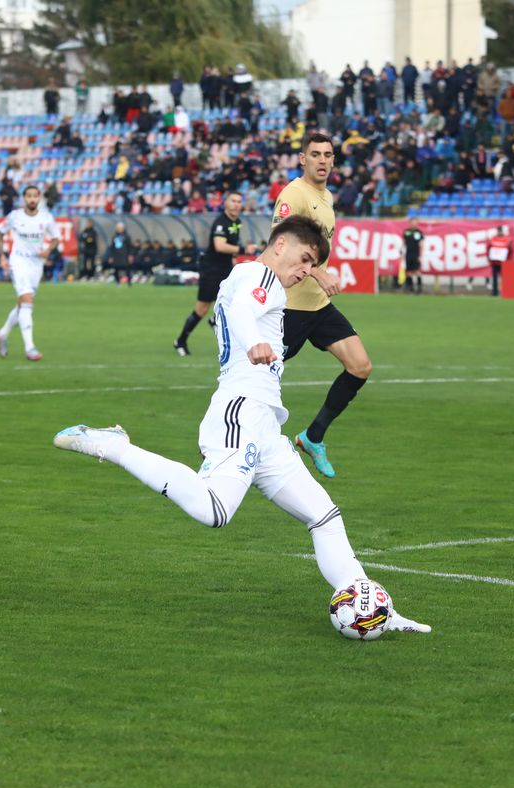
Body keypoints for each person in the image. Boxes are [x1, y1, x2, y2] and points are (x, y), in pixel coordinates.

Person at [52, 215, 431, 635]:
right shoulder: (258, 273)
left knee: (324, 515)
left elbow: (238, 307)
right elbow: (241, 309)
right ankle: (113, 445)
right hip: (241, 410)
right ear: (280, 243)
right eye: (305, 258)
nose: (306, 271)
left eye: (312, 265)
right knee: (214, 511)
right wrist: (253, 341)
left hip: (265, 424)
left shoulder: (254, 278)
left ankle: (372, 606)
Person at [271, 132, 366, 479]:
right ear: (302, 158)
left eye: (328, 155)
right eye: (315, 154)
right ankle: (227, 443)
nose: (323, 160)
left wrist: (319, 277)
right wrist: (318, 273)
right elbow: (281, 245)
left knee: (360, 366)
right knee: (257, 377)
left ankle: (313, 437)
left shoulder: (326, 197)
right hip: (290, 307)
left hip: (319, 306)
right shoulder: (294, 194)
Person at [173, 190, 257, 356]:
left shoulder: (236, 222)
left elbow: (229, 250)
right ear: (225, 203)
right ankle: (180, 341)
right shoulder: (221, 223)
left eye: (239, 201)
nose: (236, 204)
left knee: (235, 302)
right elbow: (220, 246)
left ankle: (216, 320)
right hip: (211, 271)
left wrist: (235, 265)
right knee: (202, 308)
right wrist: (243, 250)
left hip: (225, 269)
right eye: (233, 201)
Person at [0, 185, 61, 363]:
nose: (31, 199)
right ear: (24, 198)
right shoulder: (15, 216)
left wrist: (48, 250)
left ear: (39, 198)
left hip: (36, 264)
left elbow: (55, 238)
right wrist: (1, 256)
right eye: (28, 196)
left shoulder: (46, 217)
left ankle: (3, 333)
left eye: (34, 196)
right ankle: (30, 347)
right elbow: (0, 234)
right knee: (27, 301)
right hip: (18, 262)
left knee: (22, 304)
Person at [401, 215, 424, 294]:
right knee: (409, 271)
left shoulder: (419, 233)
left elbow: (421, 245)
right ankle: (410, 288)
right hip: (408, 254)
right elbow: (403, 242)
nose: (414, 224)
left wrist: (420, 256)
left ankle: (419, 287)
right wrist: (401, 249)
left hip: (416, 254)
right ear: (410, 223)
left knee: (417, 271)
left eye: (415, 222)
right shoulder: (406, 232)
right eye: (412, 222)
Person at [488, 225, 511, 297]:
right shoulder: (493, 238)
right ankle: (495, 291)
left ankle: (505, 291)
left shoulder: (506, 239)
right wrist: (489, 258)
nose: (499, 232)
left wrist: (507, 258)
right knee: (494, 278)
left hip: (503, 262)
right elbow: (489, 248)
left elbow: (509, 250)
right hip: (495, 262)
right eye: (498, 231)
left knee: (504, 277)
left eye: (500, 231)